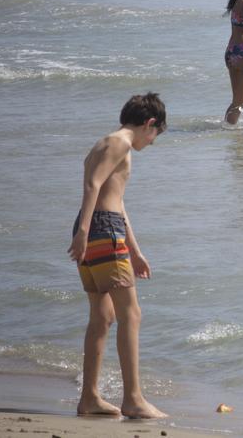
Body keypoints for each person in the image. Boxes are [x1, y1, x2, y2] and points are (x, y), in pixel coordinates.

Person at [67, 93, 168, 419]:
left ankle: (90, 399)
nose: (152, 143)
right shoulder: (119, 143)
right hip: (100, 230)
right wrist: (84, 232)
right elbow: (92, 188)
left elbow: (118, 202)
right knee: (131, 314)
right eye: (155, 135)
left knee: (103, 316)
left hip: (99, 228)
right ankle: (133, 399)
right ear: (149, 124)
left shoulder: (104, 144)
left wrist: (135, 251)